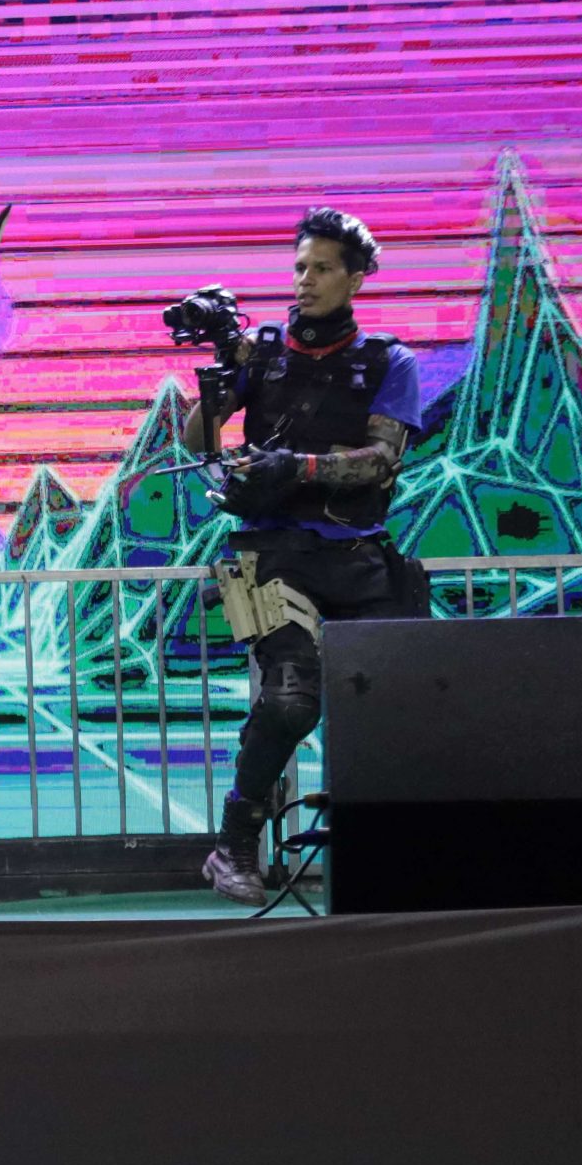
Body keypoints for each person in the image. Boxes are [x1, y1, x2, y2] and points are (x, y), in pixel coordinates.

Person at [180, 207, 426, 908]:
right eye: (299, 267)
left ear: (356, 277)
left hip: (358, 558)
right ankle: (233, 846)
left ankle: (393, 848)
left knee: (393, 704)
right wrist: (223, 373)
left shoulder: (388, 361)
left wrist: (298, 465)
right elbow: (198, 438)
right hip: (269, 554)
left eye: (321, 268)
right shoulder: (261, 354)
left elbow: (380, 461)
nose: (305, 280)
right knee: (289, 700)